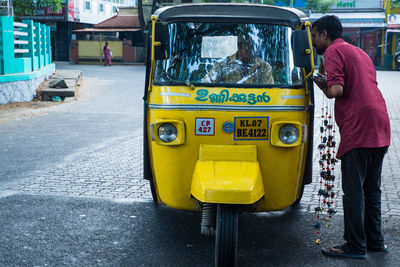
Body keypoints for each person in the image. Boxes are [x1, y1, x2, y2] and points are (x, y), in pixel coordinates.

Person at [311, 15, 391, 259]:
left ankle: (355, 246)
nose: (313, 41)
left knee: (354, 192)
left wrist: (318, 81)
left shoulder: (333, 52)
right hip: (380, 124)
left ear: (324, 34)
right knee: (371, 190)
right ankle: (375, 242)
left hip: (359, 128)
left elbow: (336, 90)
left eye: (314, 36)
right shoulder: (359, 52)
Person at [203, 34, 274, 85]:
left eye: (254, 47)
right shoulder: (221, 65)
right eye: (248, 46)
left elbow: (271, 91)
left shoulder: (264, 66)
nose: (252, 50)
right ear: (239, 47)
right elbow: (205, 84)